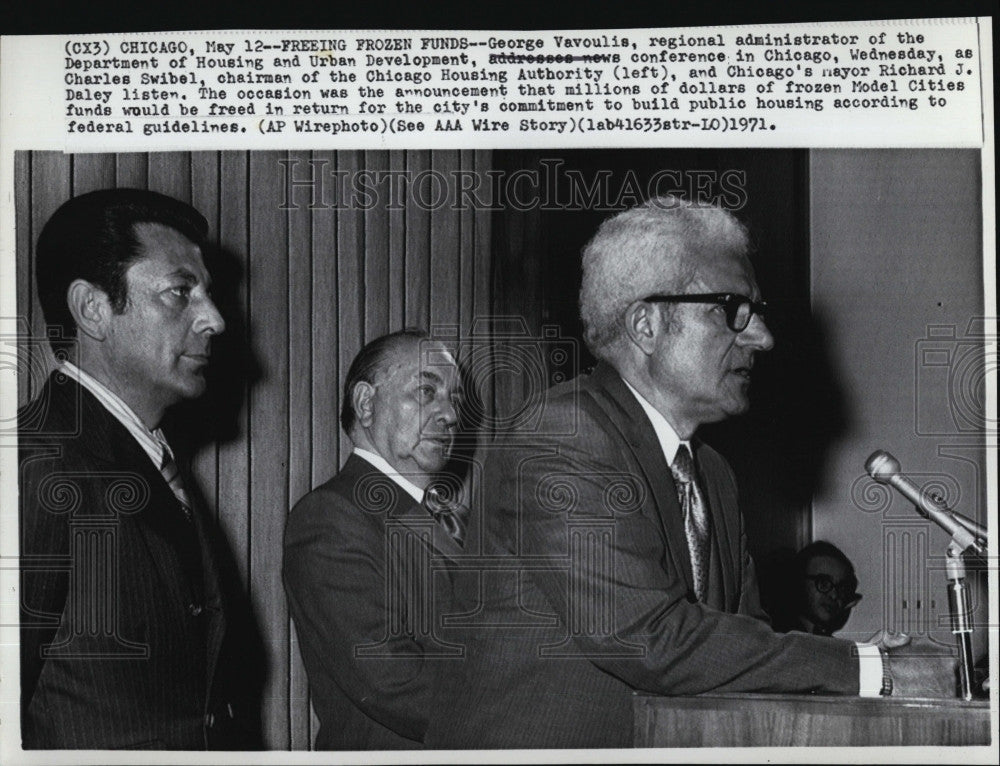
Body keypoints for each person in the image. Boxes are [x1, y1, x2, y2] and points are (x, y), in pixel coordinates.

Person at [425, 196, 957, 749]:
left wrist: (859, 659)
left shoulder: (714, 475)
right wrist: (869, 668)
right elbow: (653, 640)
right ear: (646, 324)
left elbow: (741, 645)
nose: (762, 338)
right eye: (731, 310)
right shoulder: (561, 439)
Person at [19, 188, 260, 749]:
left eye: (209, 294)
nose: (217, 320)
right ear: (93, 309)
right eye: (181, 292)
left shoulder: (146, 456)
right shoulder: (35, 465)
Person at [283, 330, 466, 749]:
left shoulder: (453, 518)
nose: (451, 414)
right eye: (426, 391)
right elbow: (393, 681)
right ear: (366, 404)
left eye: (453, 398)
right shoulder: (330, 517)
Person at [772, 541, 862, 636]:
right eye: (824, 583)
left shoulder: (828, 643)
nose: (834, 595)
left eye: (841, 588)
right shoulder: (779, 637)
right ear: (799, 582)